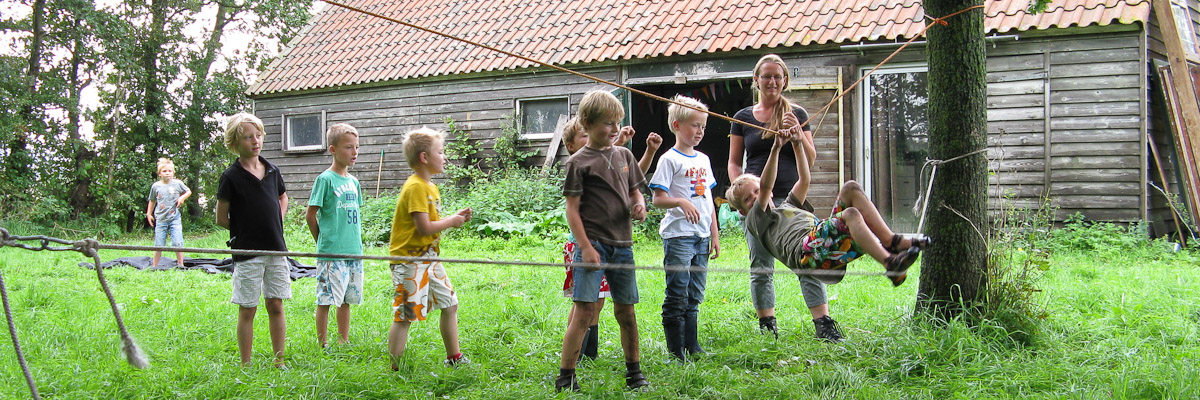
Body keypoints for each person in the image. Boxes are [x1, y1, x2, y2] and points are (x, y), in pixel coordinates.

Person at [725, 128, 927, 302]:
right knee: (851, 214)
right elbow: (767, 187)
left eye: (756, 190)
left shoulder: (788, 205)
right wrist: (776, 148)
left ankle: (891, 240)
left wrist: (797, 144)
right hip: (807, 253)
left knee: (851, 188)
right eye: (748, 199)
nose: (756, 196)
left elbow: (804, 179)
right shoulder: (755, 221)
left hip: (823, 241)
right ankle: (890, 264)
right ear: (743, 211)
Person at [727, 54, 839, 341]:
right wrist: (740, 195)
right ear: (756, 80)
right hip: (757, 201)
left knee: (807, 258)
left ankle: (823, 324)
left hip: (791, 199)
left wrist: (798, 137)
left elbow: (810, 161)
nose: (772, 81)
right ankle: (768, 326)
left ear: (785, 80)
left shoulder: (798, 114)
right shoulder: (742, 118)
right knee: (761, 266)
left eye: (777, 76)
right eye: (766, 76)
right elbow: (734, 163)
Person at [555, 90, 649, 392]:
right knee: (583, 312)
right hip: (593, 246)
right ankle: (566, 376)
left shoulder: (624, 155)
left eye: (616, 123)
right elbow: (572, 209)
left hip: (623, 247)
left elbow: (636, 190)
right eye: (607, 124)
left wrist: (639, 204)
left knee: (626, 311)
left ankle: (634, 372)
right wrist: (585, 246)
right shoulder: (578, 162)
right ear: (587, 122)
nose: (613, 129)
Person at [387, 127, 473, 370]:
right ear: (424, 157)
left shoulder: (429, 187)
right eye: (440, 152)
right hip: (409, 261)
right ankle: (395, 368)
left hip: (430, 258)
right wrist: (452, 222)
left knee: (450, 303)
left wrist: (452, 217)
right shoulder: (415, 186)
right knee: (406, 314)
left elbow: (430, 223)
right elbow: (424, 227)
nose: (444, 157)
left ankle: (453, 357)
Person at [215, 112, 290, 368]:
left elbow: (282, 197)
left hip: (276, 250)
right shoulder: (231, 177)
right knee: (248, 308)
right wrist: (246, 229)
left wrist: (276, 219)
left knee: (276, 304)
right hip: (247, 252)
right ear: (235, 144)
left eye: (258, 136)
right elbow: (221, 217)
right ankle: (245, 363)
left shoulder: (272, 170)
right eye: (248, 137)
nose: (255, 141)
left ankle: (279, 360)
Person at [648, 95, 720, 361]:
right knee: (677, 292)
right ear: (677, 125)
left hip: (702, 236)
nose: (700, 131)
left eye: (703, 126)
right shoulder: (669, 159)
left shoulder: (703, 159)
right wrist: (679, 200)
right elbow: (657, 199)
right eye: (694, 125)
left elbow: (708, 200)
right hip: (679, 236)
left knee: (695, 293)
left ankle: (693, 345)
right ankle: (675, 350)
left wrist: (714, 234)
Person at [305, 123, 364, 348]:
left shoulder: (354, 182)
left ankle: (343, 339)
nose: (354, 152)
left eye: (357, 147)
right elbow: (311, 215)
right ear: (333, 149)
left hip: (353, 252)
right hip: (331, 252)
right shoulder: (325, 180)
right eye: (349, 147)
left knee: (347, 299)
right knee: (326, 298)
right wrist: (322, 241)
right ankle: (323, 343)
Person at [146, 157, 191, 269]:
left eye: (169, 171)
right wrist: (149, 214)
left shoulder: (177, 183)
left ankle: (181, 265)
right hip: (161, 219)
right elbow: (152, 200)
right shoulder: (156, 186)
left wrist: (182, 198)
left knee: (177, 242)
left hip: (174, 218)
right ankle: (154, 266)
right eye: (164, 171)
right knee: (159, 244)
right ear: (159, 173)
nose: (167, 173)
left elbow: (188, 191)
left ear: (173, 172)